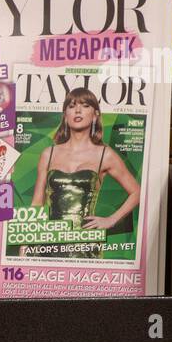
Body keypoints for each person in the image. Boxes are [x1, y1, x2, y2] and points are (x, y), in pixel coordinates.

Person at [27, 87, 140, 259]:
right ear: (65, 115)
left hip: (85, 244)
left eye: (85, 105)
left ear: (95, 114)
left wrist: (111, 219)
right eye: (72, 106)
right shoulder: (48, 154)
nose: (77, 110)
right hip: (49, 242)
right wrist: (27, 244)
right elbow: (36, 203)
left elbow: (137, 192)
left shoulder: (105, 154)